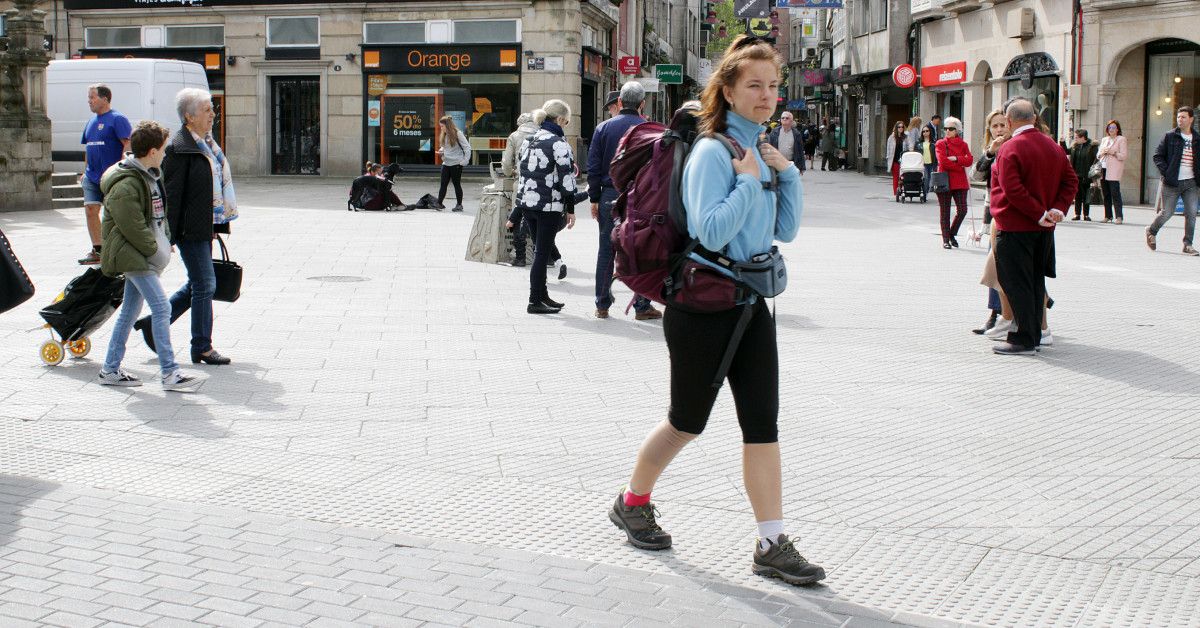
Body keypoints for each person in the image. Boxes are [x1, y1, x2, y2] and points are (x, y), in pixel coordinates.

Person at [608, 35, 824, 587]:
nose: (766, 95)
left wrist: (786, 175)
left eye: (773, 86)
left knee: (762, 424)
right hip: (704, 304)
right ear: (726, 90)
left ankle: (772, 542)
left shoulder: (761, 151)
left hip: (752, 304)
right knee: (687, 421)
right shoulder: (713, 151)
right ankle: (632, 501)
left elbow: (786, 231)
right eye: (754, 85)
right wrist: (750, 182)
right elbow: (710, 230)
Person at [96, 120, 204, 392]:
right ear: (153, 151)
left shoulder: (150, 174)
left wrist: (164, 240)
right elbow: (132, 225)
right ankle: (169, 373)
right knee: (162, 307)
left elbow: (158, 214)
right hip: (135, 256)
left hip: (142, 254)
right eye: (164, 149)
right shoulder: (126, 183)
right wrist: (155, 250)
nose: (166, 153)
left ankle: (110, 368)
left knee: (130, 312)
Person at [136, 87, 235, 366]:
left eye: (212, 109)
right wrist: (169, 235)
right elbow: (172, 196)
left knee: (198, 283)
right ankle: (201, 347)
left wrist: (216, 223)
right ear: (189, 117)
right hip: (189, 229)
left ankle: (153, 325)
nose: (213, 114)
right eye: (207, 109)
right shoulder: (180, 148)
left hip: (204, 226)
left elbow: (209, 191)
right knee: (206, 284)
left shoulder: (206, 144)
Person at [989, 97, 1076, 355]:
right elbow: (1071, 181)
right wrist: (1057, 209)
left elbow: (1012, 189)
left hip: (1016, 226)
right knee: (1036, 281)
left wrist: (1039, 213)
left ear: (1009, 120)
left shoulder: (1010, 148)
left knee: (1017, 283)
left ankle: (1024, 338)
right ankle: (1034, 335)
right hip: (1043, 229)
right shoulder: (1053, 147)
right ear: (1034, 119)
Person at [587, 81, 662, 320]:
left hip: (609, 194)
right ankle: (641, 305)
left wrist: (594, 198)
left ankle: (602, 303)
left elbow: (593, 166)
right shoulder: (651, 130)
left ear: (619, 102)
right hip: (640, 198)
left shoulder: (603, 128)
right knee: (640, 249)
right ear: (642, 104)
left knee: (606, 250)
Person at [516, 99, 579, 314]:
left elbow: (521, 172)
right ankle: (534, 300)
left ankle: (543, 295)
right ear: (560, 119)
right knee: (542, 253)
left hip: (528, 204)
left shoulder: (529, 140)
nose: (566, 126)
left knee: (539, 250)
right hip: (548, 206)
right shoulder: (559, 143)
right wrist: (571, 209)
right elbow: (568, 180)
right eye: (567, 122)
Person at [78, 84, 132, 266]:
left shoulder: (117, 119)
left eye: (92, 97)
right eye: (88, 97)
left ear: (105, 98)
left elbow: (127, 144)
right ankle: (98, 249)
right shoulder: (91, 122)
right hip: (91, 176)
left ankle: (118, 248)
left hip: (111, 176)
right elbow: (89, 147)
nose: (89, 101)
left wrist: (122, 168)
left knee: (114, 213)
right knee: (91, 210)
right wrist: (84, 172)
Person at [973, 109, 1011, 335]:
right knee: (994, 266)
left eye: (1002, 125)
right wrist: (989, 154)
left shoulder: (1016, 145)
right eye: (994, 126)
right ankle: (996, 313)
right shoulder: (991, 151)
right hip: (995, 216)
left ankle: (1006, 314)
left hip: (1014, 216)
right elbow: (976, 177)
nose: (999, 130)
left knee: (1003, 266)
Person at [1146, 106, 1199, 256]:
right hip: (1172, 182)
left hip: (1191, 183)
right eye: (1178, 117)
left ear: (1191, 119)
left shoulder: (1197, 138)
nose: (1180, 120)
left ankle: (1187, 244)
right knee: (1167, 213)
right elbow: (1157, 156)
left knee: (1191, 214)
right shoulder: (1170, 136)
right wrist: (1167, 172)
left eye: (1183, 117)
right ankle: (1152, 230)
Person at [502, 113, 539, 266]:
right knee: (540, 218)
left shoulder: (515, 136)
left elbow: (506, 163)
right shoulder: (542, 134)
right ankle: (545, 255)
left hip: (522, 181)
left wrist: (510, 172)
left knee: (517, 216)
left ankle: (520, 256)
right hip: (541, 183)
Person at [934, 116, 974, 249]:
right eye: (945, 128)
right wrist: (960, 164)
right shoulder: (940, 143)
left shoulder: (963, 144)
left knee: (962, 210)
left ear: (957, 130)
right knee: (944, 212)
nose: (947, 131)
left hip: (960, 182)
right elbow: (943, 162)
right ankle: (946, 239)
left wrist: (956, 158)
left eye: (950, 129)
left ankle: (952, 234)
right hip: (944, 180)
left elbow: (970, 161)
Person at [435, 116, 471, 212]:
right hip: (446, 163)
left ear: (447, 126)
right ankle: (439, 203)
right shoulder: (444, 134)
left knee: (456, 184)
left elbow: (467, 147)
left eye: (442, 126)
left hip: (456, 164)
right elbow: (445, 147)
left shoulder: (458, 134)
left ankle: (459, 205)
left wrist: (464, 161)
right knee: (443, 184)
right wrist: (441, 151)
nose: (441, 128)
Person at [1096, 119, 1127, 224]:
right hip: (1103, 168)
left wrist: (1113, 152)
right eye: (1109, 128)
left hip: (1114, 170)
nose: (1111, 130)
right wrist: (1102, 153)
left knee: (1115, 193)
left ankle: (1119, 216)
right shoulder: (1105, 139)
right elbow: (1098, 154)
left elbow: (1123, 156)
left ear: (1117, 129)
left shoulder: (1121, 139)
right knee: (1106, 194)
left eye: (1113, 127)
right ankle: (1108, 215)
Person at [1067, 129, 1098, 221]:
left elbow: (1096, 159)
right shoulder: (1075, 146)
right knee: (1077, 195)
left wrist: (1094, 176)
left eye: (1077, 137)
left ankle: (1086, 214)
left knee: (1087, 195)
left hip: (1087, 175)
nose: (1075, 139)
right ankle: (1077, 214)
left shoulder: (1092, 147)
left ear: (1083, 137)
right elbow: (1065, 151)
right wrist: (1062, 142)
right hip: (1076, 175)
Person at [768, 111, 807, 175]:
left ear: (791, 121)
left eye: (787, 118)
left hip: (791, 164)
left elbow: (800, 151)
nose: (784, 119)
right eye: (783, 118)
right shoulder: (774, 132)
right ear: (780, 120)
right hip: (776, 164)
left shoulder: (796, 134)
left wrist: (802, 167)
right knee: (776, 184)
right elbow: (769, 147)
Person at [885, 120, 909, 197]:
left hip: (903, 160)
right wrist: (888, 158)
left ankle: (901, 190)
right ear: (896, 128)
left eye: (902, 127)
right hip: (894, 160)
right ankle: (896, 193)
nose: (901, 128)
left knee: (902, 177)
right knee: (896, 177)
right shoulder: (891, 137)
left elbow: (908, 147)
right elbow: (888, 149)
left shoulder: (905, 137)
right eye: (899, 127)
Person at [913, 125, 939, 197]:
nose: (925, 132)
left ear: (930, 132)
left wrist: (938, 163)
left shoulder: (934, 142)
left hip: (932, 163)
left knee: (931, 180)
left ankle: (926, 192)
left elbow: (937, 153)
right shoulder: (918, 143)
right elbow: (916, 153)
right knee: (926, 178)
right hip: (923, 163)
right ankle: (925, 194)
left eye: (927, 131)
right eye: (923, 131)